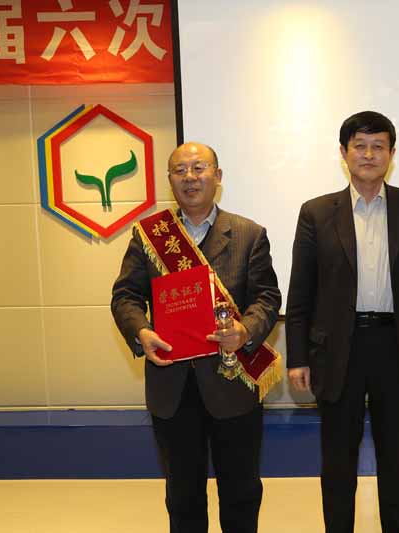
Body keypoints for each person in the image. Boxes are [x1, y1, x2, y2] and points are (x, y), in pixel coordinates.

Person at [111, 142, 281, 533]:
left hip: (233, 381)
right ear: (169, 180)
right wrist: (141, 331)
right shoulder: (150, 235)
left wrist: (244, 331)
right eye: (180, 170)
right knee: (182, 496)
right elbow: (125, 296)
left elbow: (267, 298)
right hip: (172, 386)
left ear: (217, 177)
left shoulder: (249, 234)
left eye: (199, 168)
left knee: (240, 492)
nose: (190, 177)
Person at [285, 111, 399, 533]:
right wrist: (297, 357)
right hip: (339, 350)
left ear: (391, 153)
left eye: (378, 146)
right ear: (344, 152)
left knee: (398, 459)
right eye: (359, 146)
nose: (369, 154)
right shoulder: (317, 212)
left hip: (398, 346)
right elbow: (301, 292)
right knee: (338, 460)